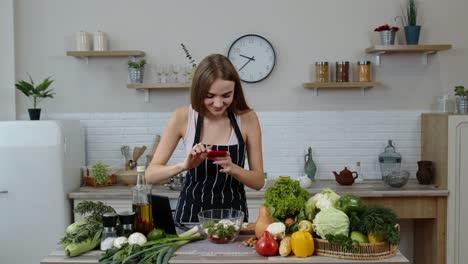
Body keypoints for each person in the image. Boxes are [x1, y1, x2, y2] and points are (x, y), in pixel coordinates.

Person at [145, 54, 264, 223]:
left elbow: (258, 181)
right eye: (210, 95)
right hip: (190, 218)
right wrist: (184, 165)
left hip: (233, 218)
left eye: (226, 95)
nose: (218, 103)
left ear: (235, 91)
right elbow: (150, 175)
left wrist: (233, 168)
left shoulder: (247, 118)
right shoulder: (183, 117)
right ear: (199, 91)